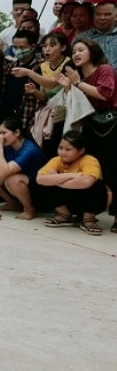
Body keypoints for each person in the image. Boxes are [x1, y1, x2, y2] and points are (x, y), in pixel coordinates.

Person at [54, 38, 117, 232]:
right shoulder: (77, 74)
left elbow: (104, 94)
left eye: (81, 50)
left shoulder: (104, 69)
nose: (76, 54)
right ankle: (87, 213)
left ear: (93, 51)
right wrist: (68, 86)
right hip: (90, 125)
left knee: (114, 170)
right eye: (74, 51)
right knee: (90, 168)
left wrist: (77, 83)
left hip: (111, 125)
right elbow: (75, 101)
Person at [36, 131, 109, 235]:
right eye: (60, 148)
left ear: (81, 150)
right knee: (43, 184)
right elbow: (40, 179)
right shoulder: (57, 160)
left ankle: (88, 219)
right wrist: (73, 175)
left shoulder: (90, 160)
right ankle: (64, 215)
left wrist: (56, 179)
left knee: (97, 184)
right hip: (67, 200)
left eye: (68, 149)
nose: (62, 152)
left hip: (87, 200)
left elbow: (87, 182)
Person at [0, 117, 45, 220]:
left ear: (17, 133)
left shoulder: (29, 149)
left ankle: (29, 209)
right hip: (21, 182)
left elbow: (4, 172)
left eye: (4, 133)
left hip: (39, 187)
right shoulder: (8, 145)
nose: (0, 136)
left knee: (12, 179)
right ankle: (12, 204)